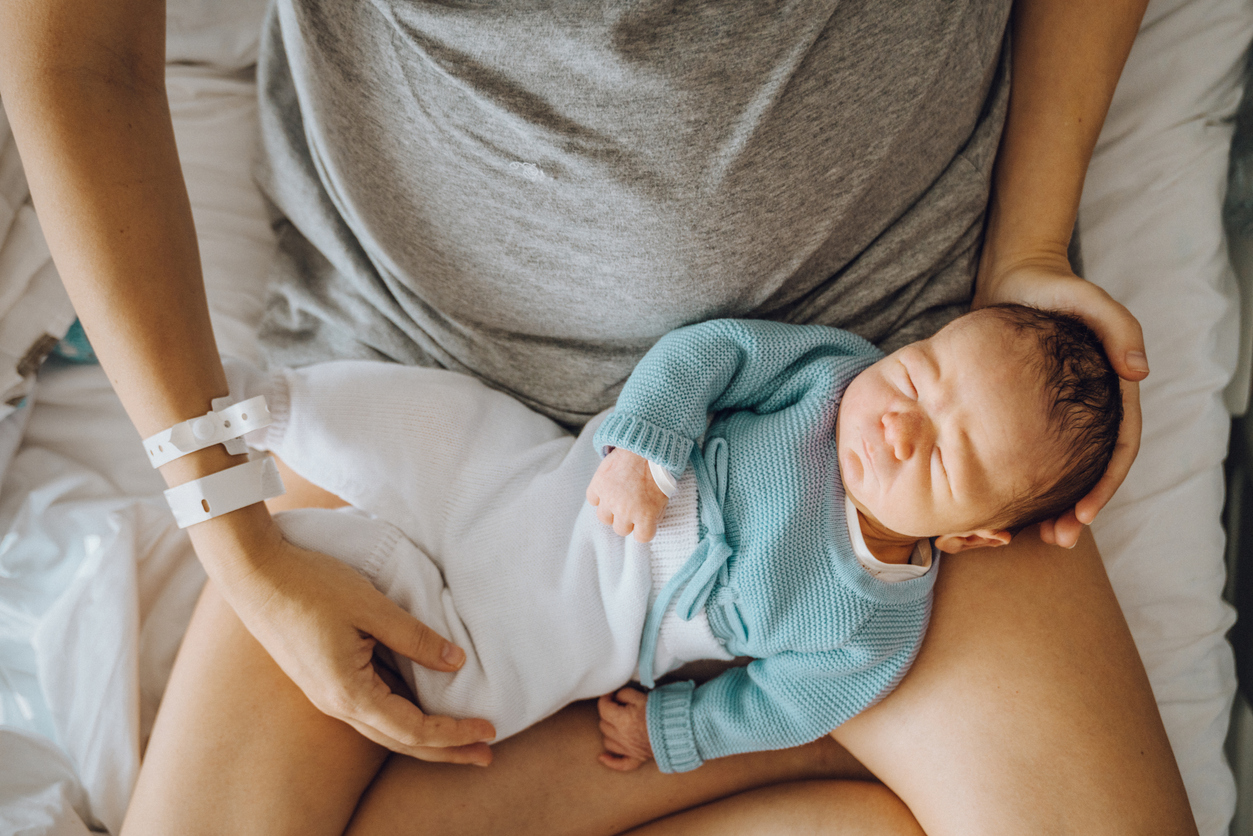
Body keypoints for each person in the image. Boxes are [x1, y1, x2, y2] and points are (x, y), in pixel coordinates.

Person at [0, 0, 1198, 833]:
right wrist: (232, 535)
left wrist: (1028, 246)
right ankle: (834, 759)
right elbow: (77, 58)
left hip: (883, 345)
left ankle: (812, 742)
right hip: (421, 406)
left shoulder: (914, 490)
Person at [231, 305, 1121, 776]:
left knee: (481, 685)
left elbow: (783, 705)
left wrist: (679, 728)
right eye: (917, 375)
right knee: (443, 432)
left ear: (971, 537)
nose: (897, 426)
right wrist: (647, 441)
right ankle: (272, 406)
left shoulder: (871, 626)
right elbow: (711, 352)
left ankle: (352, 559)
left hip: (604, 611)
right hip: (566, 475)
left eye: (944, 455)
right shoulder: (827, 375)